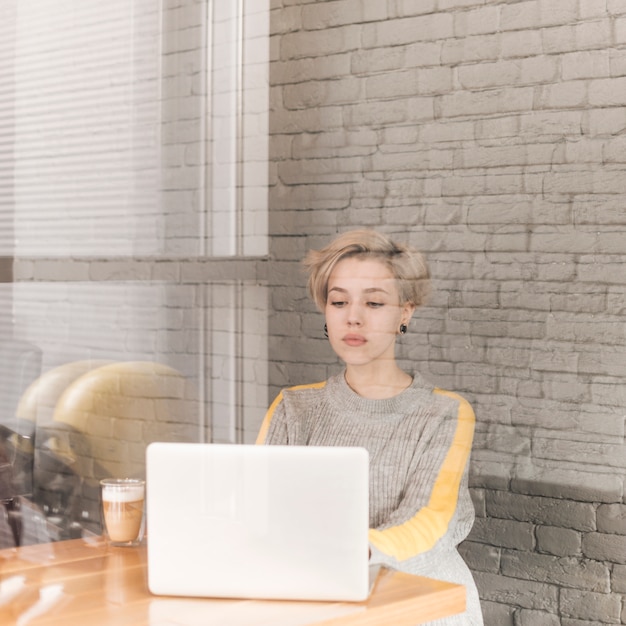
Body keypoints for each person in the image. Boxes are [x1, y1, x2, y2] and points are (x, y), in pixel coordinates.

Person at [256, 229, 483, 626]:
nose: (352, 316)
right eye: (338, 300)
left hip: (419, 605)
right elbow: (258, 506)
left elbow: (429, 521)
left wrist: (353, 550)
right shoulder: (294, 408)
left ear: (405, 312)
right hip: (320, 600)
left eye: (374, 302)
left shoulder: (444, 413)